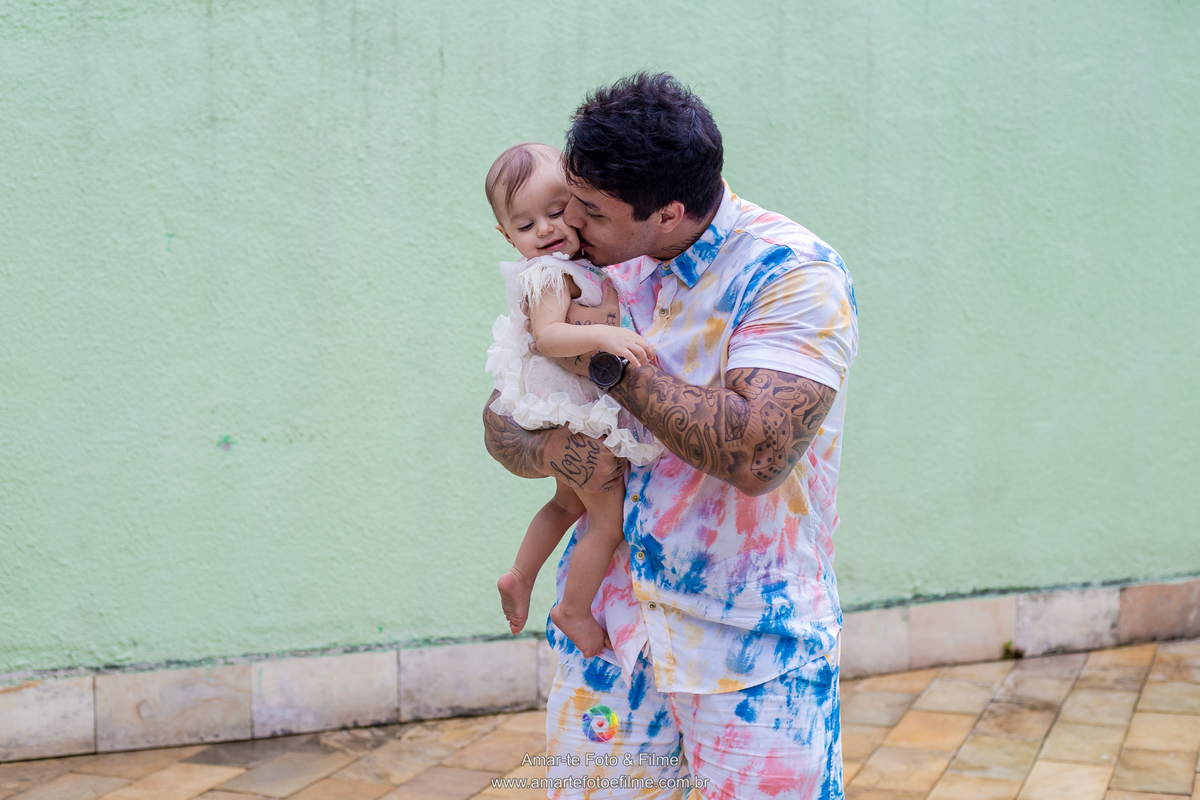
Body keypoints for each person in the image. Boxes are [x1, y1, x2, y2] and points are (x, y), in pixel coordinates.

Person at [483, 73, 858, 799]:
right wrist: (554, 450)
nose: (573, 227)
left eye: (589, 211)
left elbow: (757, 454)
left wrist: (601, 359)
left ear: (667, 213)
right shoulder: (588, 265)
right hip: (611, 637)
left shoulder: (791, 274)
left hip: (749, 647)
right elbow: (505, 421)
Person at [484, 142, 664, 659]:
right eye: (525, 225)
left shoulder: (577, 267)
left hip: (569, 409)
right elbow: (548, 337)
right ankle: (573, 610)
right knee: (607, 523)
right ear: (506, 236)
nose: (544, 230)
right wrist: (604, 339)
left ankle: (521, 574)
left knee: (567, 503)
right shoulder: (548, 274)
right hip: (572, 413)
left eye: (556, 211)